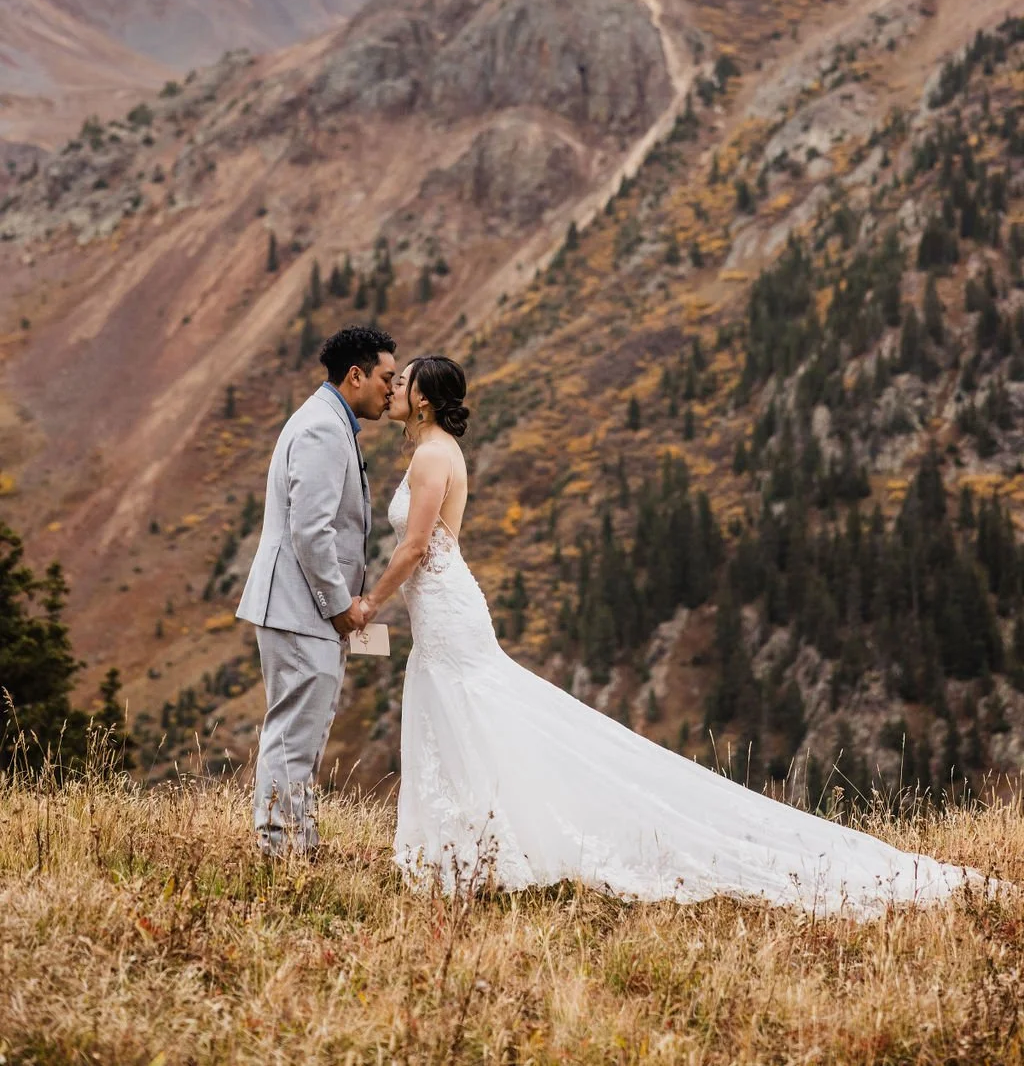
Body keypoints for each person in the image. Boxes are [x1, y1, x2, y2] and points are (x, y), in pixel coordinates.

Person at [360, 354, 975, 916]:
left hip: (445, 609)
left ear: (422, 400)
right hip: (443, 608)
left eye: (403, 380)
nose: (392, 388)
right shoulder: (432, 454)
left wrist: (370, 606)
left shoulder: (432, 455)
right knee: (462, 716)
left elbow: (417, 545)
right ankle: (474, 846)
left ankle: (489, 848)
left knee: (476, 713)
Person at [236, 325, 396, 854]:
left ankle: (298, 843)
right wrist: (340, 607)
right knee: (292, 734)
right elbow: (311, 528)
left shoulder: (325, 421)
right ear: (356, 376)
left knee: (302, 732)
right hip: (300, 607)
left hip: (299, 606)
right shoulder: (323, 429)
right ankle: (280, 851)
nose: (392, 390)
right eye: (385, 377)